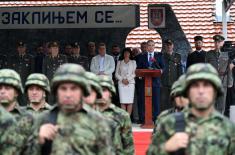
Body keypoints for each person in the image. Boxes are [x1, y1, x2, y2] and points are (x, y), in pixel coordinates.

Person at [25, 64, 114, 155]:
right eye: (63, 89)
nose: (68, 94)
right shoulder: (43, 119)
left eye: (73, 89)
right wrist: (39, 140)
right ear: (56, 91)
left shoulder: (97, 121)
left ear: (82, 91)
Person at [147, 63, 235, 155]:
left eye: (206, 85)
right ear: (187, 91)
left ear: (216, 90)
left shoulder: (227, 128)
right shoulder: (170, 123)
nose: (201, 91)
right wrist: (166, 148)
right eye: (195, 86)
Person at [96, 75, 134, 155]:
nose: (100, 94)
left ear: (111, 92)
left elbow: (128, 147)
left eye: (104, 90)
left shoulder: (122, 116)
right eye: (97, 90)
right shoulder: (85, 113)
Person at [0, 69, 34, 154]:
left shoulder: (28, 119)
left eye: (7, 88)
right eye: (0, 88)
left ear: (16, 92)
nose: (2, 91)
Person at [206, 35, 233, 114]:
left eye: (219, 42)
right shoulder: (209, 54)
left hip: (223, 82)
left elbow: (229, 69)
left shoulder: (226, 54)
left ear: (222, 43)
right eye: (215, 42)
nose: (217, 44)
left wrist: (229, 82)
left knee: (221, 105)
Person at [138, 39, 165, 122]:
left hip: (156, 82)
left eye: (152, 45)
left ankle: (156, 119)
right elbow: (138, 68)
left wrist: (161, 71)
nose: (151, 47)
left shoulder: (159, 56)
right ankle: (143, 119)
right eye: (149, 45)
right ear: (146, 47)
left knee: (156, 102)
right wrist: (140, 75)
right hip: (144, 83)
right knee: (143, 101)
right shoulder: (142, 56)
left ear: (154, 46)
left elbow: (163, 67)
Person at [161, 39, 182, 111]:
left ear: (173, 46)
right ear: (165, 46)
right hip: (164, 82)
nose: (168, 46)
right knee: (164, 101)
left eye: (170, 45)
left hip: (174, 82)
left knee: (174, 100)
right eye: (167, 45)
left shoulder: (177, 56)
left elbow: (180, 70)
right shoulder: (162, 56)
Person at [115, 48, 137, 115]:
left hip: (130, 84)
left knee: (130, 102)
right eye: (125, 53)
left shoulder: (133, 62)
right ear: (123, 54)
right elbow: (116, 74)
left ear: (130, 54)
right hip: (121, 84)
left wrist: (128, 79)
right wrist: (122, 79)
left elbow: (134, 73)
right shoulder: (119, 62)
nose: (126, 54)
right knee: (123, 102)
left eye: (128, 53)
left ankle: (128, 119)